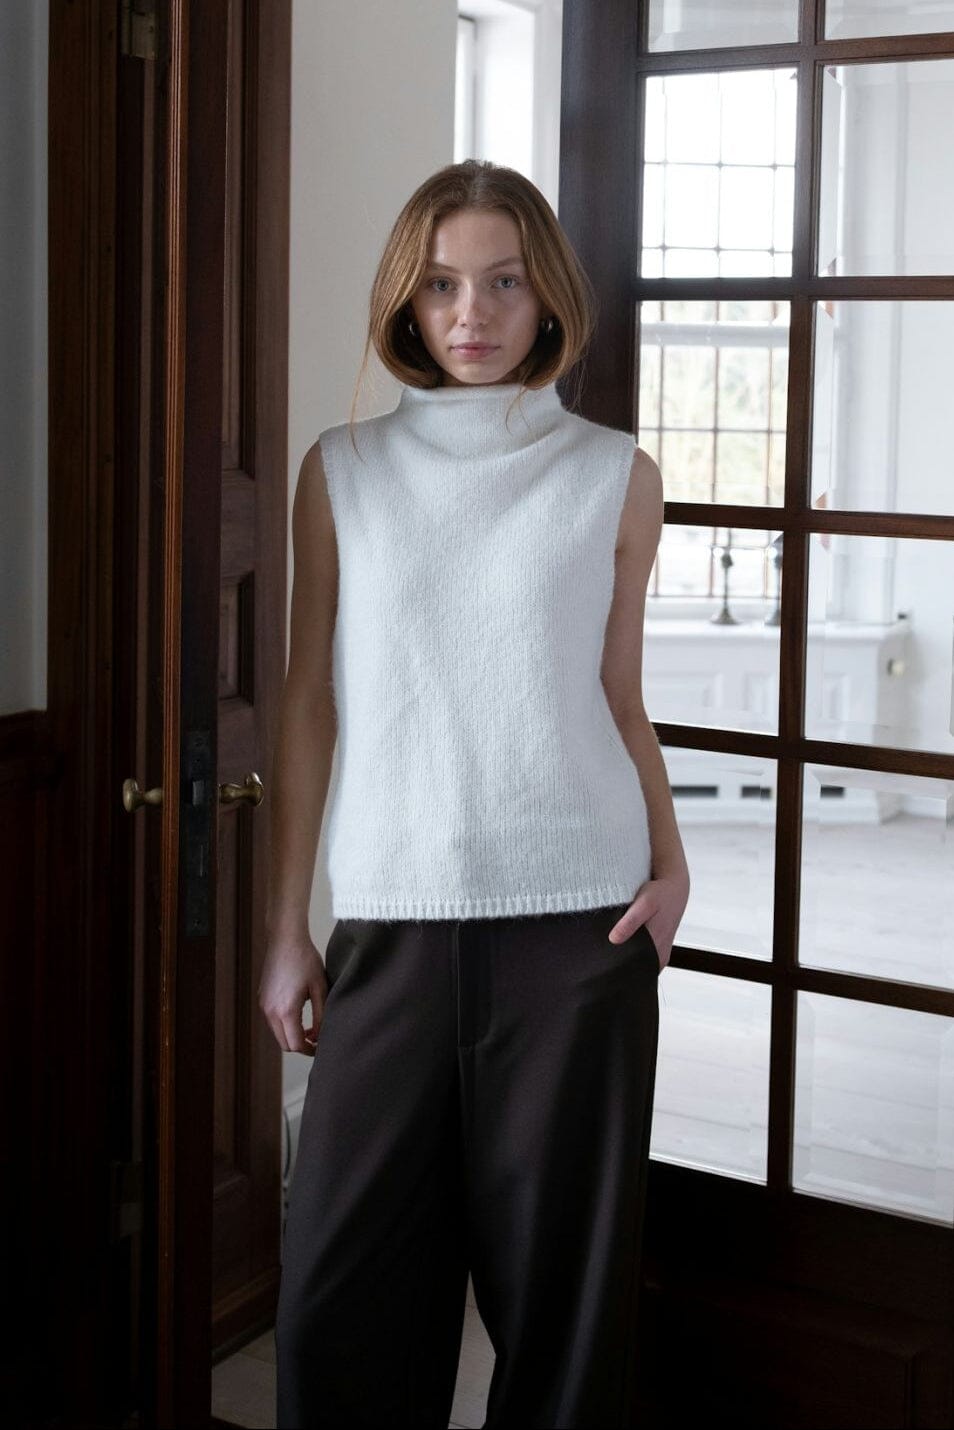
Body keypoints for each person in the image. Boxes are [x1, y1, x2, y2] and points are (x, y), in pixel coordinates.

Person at [259, 158, 690, 1430]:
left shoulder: (616, 474)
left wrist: (670, 866)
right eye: (443, 284)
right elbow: (307, 698)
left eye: (503, 282)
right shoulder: (342, 471)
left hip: (578, 928)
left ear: (547, 294)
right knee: (337, 1304)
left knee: (563, 1312)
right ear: (407, 297)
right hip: (391, 924)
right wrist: (286, 924)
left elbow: (618, 695)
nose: (473, 313)